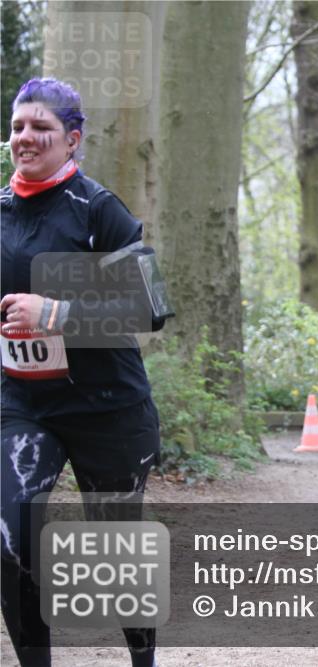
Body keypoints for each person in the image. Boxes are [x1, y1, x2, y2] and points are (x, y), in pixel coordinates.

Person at [1, 78, 165, 667]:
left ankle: (142, 661)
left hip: (107, 407)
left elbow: (150, 309)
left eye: (40, 128)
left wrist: (59, 313)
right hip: (23, 405)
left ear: (71, 140)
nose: (25, 138)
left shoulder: (99, 211)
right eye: (18, 127)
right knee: (10, 534)